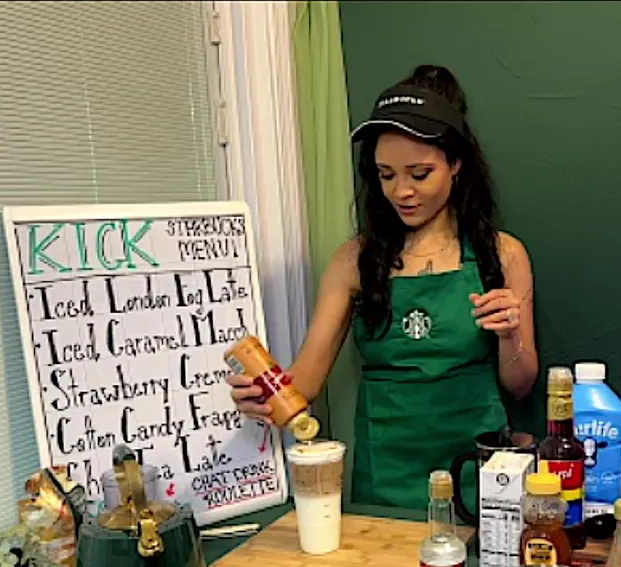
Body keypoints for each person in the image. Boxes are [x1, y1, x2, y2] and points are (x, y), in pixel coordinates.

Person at [228, 65, 539, 510]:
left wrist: (508, 333)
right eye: (386, 175)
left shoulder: (503, 254)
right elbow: (306, 381)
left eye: (419, 173)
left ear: (455, 164)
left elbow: (522, 384)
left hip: (477, 472)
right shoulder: (353, 261)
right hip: (385, 481)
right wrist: (263, 394)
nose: (402, 192)